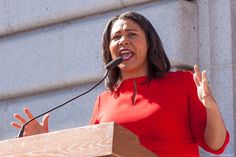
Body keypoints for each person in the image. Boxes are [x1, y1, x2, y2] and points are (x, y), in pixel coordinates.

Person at [11, 11, 229, 157]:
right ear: (109, 50)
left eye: (131, 34)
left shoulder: (181, 82)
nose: (123, 40)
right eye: (116, 37)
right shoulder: (103, 101)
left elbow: (216, 145)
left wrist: (211, 108)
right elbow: (92, 151)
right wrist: (45, 145)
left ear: (149, 44)